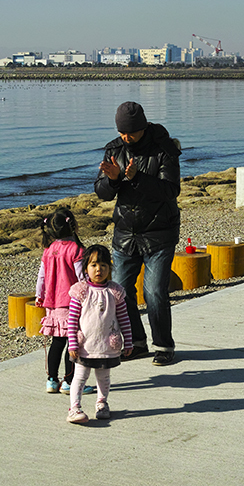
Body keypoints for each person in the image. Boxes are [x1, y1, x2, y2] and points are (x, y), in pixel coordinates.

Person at [94, 101, 181, 366]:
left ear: (142, 127)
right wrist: (113, 180)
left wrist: (137, 178)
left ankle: (164, 345)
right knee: (120, 291)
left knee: (154, 292)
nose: (125, 137)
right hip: (125, 234)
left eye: (130, 132)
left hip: (159, 232)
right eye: (121, 132)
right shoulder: (114, 149)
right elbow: (101, 192)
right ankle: (136, 342)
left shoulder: (164, 148)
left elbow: (170, 191)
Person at [66, 245, 133, 424]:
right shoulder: (80, 291)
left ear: (110, 268)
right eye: (94, 265)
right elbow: (71, 320)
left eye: (103, 265)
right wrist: (72, 343)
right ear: (86, 268)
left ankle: (102, 403)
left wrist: (128, 342)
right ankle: (74, 408)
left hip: (106, 345)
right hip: (84, 346)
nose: (99, 269)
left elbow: (124, 318)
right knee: (80, 377)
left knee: (104, 377)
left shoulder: (115, 292)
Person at [34, 207, 92, 395]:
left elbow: (41, 277)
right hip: (71, 303)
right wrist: (89, 294)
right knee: (73, 342)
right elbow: (81, 276)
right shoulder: (76, 249)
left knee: (57, 342)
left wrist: (39, 295)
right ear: (72, 225)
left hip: (52, 302)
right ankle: (69, 381)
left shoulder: (49, 250)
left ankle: (52, 380)